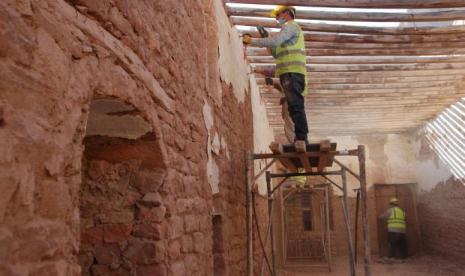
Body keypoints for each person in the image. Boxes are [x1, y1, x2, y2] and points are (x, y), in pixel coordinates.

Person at [243, 5, 308, 150]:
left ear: (287, 13)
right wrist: (266, 38)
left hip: (293, 72)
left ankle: (302, 138)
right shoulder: (287, 33)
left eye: (278, 14)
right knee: (293, 108)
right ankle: (300, 138)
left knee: (296, 106)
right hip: (288, 73)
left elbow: (276, 41)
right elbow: (276, 52)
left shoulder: (291, 27)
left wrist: (252, 41)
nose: (277, 18)